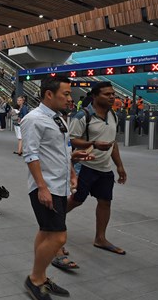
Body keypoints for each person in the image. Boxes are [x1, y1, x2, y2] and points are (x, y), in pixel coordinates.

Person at [21, 76, 93, 300]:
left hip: (58, 186)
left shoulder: (58, 119)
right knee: (59, 237)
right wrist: (42, 187)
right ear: (49, 94)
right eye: (66, 94)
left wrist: (72, 168)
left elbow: (61, 150)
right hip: (46, 187)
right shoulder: (33, 119)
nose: (70, 98)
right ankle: (35, 279)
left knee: (46, 232)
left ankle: (40, 277)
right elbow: (30, 155)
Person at [52, 82, 127, 270]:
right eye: (107, 94)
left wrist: (119, 166)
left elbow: (113, 143)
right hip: (84, 166)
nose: (112, 97)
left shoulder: (113, 115)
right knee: (75, 201)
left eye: (113, 94)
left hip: (104, 168)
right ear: (95, 96)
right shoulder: (82, 115)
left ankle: (100, 239)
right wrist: (92, 143)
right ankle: (53, 233)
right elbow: (70, 139)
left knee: (105, 202)